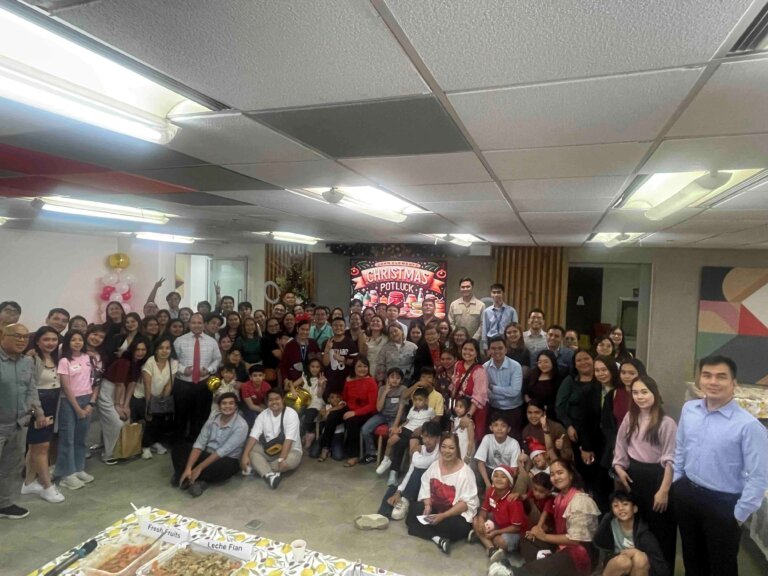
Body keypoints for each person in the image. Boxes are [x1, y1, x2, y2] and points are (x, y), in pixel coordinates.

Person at [673, 355, 768, 576]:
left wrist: (738, 514)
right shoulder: (689, 409)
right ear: (700, 380)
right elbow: (680, 447)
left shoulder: (748, 426)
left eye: (721, 376)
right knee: (692, 561)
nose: (713, 382)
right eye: (707, 375)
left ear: (734, 383)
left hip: (723, 504)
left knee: (721, 567)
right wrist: (678, 481)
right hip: (687, 493)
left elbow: (759, 476)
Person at [613, 375, 677, 571]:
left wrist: (664, 490)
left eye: (644, 392)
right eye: (635, 393)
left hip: (657, 478)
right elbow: (620, 445)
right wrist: (619, 468)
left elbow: (671, 459)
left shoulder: (667, 423)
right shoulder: (630, 417)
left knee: (660, 530)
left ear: (655, 394)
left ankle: (661, 570)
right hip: (633, 476)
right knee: (638, 527)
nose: (640, 397)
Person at [516, 459, 600, 576]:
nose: (556, 477)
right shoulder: (559, 497)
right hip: (561, 544)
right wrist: (542, 531)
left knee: (560, 558)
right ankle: (547, 566)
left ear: (570, 475)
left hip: (580, 551)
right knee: (527, 539)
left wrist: (544, 536)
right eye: (552, 474)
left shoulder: (581, 501)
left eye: (560, 473)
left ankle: (514, 573)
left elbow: (575, 540)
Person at [405, 432, 479, 554]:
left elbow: (465, 504)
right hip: (436, 508)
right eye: (443, 447)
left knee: (452, 527)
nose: (446, 451)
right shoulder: (435, 465)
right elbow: (425, 484)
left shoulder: (466, 473)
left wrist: (443, 516)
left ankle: (429, 533)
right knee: (413, 510)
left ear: (457, 449)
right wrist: (428, 505)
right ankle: (438, 539)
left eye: (451, 448)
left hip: (454, 514)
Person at [0, 323, 44, 519]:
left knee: (11, 467)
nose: (21, 340)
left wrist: (39, 413)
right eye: (16, 336)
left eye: (25, 337)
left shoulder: (27, 362)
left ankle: (4, 503)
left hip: (18, 425)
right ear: (3, 336)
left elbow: (31, 389)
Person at [171, 392, 248, 497]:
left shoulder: (241, 425)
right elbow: (199, 444)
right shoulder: (212, 419)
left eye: (231, 403)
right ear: (219, 406)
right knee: (178, 448)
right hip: (207, 453)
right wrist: (189, 467)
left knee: (224, 468)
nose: (227, 406)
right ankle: (187, 474)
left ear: (235, 407)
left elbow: (222, 452)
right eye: (224, 403)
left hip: (226, 459)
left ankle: (193, 479)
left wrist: (199, 467)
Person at [22, 327, 64, 503]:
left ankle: (29, 483)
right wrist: (37, 413)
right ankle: (47, 487)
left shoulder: (55, 357)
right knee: (42, 447)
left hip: (52, 404)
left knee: (35, 446)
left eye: (54, 339)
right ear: (37, 341)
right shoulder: (31, 359)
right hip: (38, 405)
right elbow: (29, 388)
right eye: (46, 339)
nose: (50, 343)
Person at [56, 330, 98, 491]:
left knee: (81, 437)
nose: (77, 342)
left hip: (86, 399)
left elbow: (94, 381)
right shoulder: (64, 361)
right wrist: (77, 408)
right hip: (69, 401)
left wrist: (89, 404)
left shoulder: (88, 358)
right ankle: (67, 474)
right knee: (68, 438)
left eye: (80, 339)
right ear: (68, 342)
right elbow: (66, 387)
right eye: (73, 340)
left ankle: (79, 468)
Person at [593, 491, 670, 576]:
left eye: (625, 504)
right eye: (616, 506)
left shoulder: (644, 534)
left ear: (634, 509)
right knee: (623, 561)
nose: (621, 508)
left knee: (640, 558)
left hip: (638, 570)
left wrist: (635, 552)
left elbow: (661, 567)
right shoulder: (609, 525)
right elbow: (598, 540)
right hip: (615, 566)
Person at [317, 358, 377, 466]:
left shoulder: (371, 382)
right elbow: (345, 397)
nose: (362, 369)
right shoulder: (349, 379)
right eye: (359, 366)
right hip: (349, 407)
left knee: (351, 421)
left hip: (364, 412)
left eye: (365, 366)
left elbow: (372, 406)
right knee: (332, 416)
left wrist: (355, 413)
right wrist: (341, 403)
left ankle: (354, 455)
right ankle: (325, 447)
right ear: (354, 367)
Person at [377, 421, 442, 520]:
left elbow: (421, 463)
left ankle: (405, 500)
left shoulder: (439, 452)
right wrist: (398, 491)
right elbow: (410, 471)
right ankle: (382, 515)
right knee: (394, 487)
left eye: (431, 437)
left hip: (429, 489)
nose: (427, 440)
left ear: (438, 438)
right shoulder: (421, 449)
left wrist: (415, 454)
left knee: (419, 471)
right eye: (425, 436)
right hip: (415, 485)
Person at [98, 337, 148, 465]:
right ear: (132, 349)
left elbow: (131, 385)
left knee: (126, 420)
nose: (140, 352)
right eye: (137, 349)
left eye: (143, 349)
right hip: (108, 390)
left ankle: (121, 451)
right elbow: (119, 384)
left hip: (120, 391)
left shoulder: (137, 364)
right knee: (116, 423)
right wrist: (118, 405)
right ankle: (108, 454)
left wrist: (126, 406)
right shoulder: (124, 361)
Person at [173, 313, 222, 443]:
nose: (196, 325)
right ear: (189, 324)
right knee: (181, 415)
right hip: (183, 383)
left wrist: (209, 370)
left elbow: (217, 359)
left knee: (201, 415)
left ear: (203, 324)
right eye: (193, 323)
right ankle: (179, 442)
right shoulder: (179, 340)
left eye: (199, 323)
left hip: (203, 383)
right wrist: (183, 370)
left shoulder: (211, 342)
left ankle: (197, 441)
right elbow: (173, 361)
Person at [241, 389, 302, 489]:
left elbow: (289, 440)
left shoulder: (291, 414)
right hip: (270, 450)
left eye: (277, 399)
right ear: (267, 402)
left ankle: (262, 469)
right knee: (250, 450)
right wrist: (244, 456)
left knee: (288, 461)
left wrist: (281, 459)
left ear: (283, 400)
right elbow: (253, 435)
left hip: (291, 450)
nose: (274, 402)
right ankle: (270, 475)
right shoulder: (263, 415)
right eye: (271, 400)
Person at [377, 387, 436, 485]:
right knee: (391, 441)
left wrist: (424, 429)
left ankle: (411, 473)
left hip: (417, 433)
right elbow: (407, 422)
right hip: (406, 429)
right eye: (415, 400)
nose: (417, 402)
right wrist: (399, 427)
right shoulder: (412, 409)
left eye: (420, 400)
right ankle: (386, 461)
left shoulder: (430, 411)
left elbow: (432, 423)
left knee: (411, 453)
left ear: (426, 400)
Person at [471, 464, 527, 563]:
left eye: (503, 477)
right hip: (498, 523)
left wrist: (495, 533)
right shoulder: (491, 491)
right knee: (475, 520)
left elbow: (516, 528)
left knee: (500, 541)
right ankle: (491, 549)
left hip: (514, 532)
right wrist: (480, 521)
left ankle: (481, 537)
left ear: (510, 483)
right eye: (496, 476)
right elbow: (484, 510)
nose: (499, 479)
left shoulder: (513, 501)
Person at [140, 336, 177, 459]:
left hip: (160, 396)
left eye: (167, 348)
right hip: (144, 396)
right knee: (150, 419)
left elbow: (169, 385)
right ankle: (145, 446)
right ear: (156, 350)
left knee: (161, 419)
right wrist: (148, 407)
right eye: (161, 348)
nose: (164, 351)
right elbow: (147, 386)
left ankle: (155, 442)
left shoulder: (173, 363)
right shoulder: (150, 361)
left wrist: (162, 401)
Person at [361, 367, 407, 465]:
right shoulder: (382, 388)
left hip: (395, 417)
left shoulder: (403, 389)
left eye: (398, 378)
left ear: (401, 380)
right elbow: (378, 408)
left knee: (393, 434)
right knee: (365, 429)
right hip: (382, 415)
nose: (394, 380)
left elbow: (401, 410)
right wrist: (385, 392)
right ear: (387, 378)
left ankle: (390, 459)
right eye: (392, 377)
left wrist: (395, 425)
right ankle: (372, 453)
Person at [484, 336, 525, 442]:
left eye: (500, 348)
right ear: (488, 351)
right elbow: (485, 393)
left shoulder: (515, 366)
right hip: (494, 409)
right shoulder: (484, 367)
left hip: (513, 410)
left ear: (506, 350)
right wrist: (504, 392)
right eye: (493, 348)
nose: (496, 351)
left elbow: (514, 392)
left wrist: (493, 387)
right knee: (493, 442)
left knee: (514, 441)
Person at [451, 339, 488, 445]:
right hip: (460, 407)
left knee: (470, 441)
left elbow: (479, 396)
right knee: (458, 438)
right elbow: (454, 384)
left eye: (471, 350)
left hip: (474, 410)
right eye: (465, 349)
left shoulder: (479, 370)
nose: (467, 352)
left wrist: (468, 415)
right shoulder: (458, 364)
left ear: (476, 352)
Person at [474, 413, 522, 491]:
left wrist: (502, 483)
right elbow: (480, 462)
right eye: (496, 425)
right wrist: (488, 484)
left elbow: (514, 470)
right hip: (490, 470)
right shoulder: (487, 438)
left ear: (509, 429)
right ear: (491, 427)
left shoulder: (514, 443)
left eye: (503, 426)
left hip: (506, 473)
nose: (499, 428)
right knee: (476, 472)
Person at [522, 400, 573, 465]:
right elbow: (528, 457)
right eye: (530, 413)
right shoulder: (526, 431)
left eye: (537, 412)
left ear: (544, 413)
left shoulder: (557, 428)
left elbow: (569, 458)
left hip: (558, 467)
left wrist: (561, 449)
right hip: (537, 469)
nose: (533, 416)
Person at [323, 317, 357, 397]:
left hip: (346, 380)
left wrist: (343, 359)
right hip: (330, 380)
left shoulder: (350, 343)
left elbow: (355, 362)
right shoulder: (326, 342)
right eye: (335, 325)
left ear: (345, 327)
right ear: (331, 327)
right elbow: (325, 363)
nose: (338, 327)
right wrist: (327, 349)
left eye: (341, 325)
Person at [523, 350, 561, 423]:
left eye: (546, 362)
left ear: (552, 362)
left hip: (550, 415)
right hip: (532, 413)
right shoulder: (533, 374)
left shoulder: (558, 379)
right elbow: (525, 392)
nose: (542, 365)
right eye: (540, 362)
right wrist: (529, 402)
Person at [448, 276, 485, 341]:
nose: (465, 289)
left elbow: (482, 324)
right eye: (463, 287)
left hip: (474, 341)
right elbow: (451, 322)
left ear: (472, 288)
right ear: (460, 288)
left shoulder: (481, 305)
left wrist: (474, 339)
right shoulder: (454, 305)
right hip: (457, 340)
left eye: (468, 287)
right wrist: (458, 336)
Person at [482, 284, 518, 348]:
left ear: (503, 294)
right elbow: (484, 330)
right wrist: (485, 346)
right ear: (491, 294)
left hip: (506, 341)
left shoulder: (511, 311)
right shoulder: (486, 311)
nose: (496, 295)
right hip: (491, 340)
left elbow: (516, 329)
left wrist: (513, 345)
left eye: (499, 292)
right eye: (494, 292)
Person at [364, 315, 388, 381]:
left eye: (378, 321)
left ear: (382, 325)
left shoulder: (387, 339)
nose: (375, 322)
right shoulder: (366, 339)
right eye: (373, 321)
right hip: (368, 369)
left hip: (383, 370)